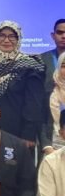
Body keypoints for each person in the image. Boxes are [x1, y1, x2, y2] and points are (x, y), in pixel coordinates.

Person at [0, 21, 45, 148]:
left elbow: (34, 104)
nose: (6, 40)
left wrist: (28, 134)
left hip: (16, 132)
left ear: (18, 39)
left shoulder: (30, 66)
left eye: (12, 36)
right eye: (2, 35)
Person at [39, 19, 65, 150]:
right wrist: (46, 144)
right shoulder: (41, 60)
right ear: (53, 35)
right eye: (60, 32)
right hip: (50, 130)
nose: (64, 36)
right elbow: (39, 108)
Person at [46, 53, 65, 154]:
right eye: (63, 66)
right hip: (55, 147)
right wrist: (47, 146)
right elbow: (43, 122)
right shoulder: (50, 91)